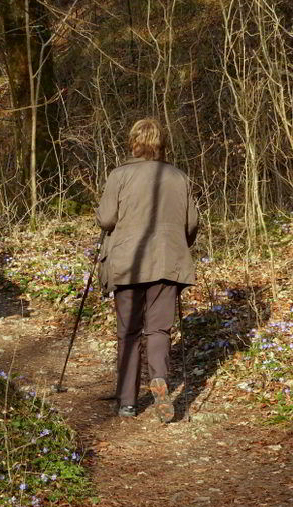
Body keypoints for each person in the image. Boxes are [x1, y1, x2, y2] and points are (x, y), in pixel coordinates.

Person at [96, 117, 198, 422]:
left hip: (129, 262)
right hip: (168, 261)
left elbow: (106, 220)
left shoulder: (120, 175)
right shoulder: (179, 176)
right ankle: (160, 383)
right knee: (159, 330)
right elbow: (191, 225)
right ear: (161, 144)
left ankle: (127, 402)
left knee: (128, 332)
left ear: (133, 142)